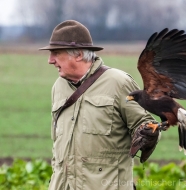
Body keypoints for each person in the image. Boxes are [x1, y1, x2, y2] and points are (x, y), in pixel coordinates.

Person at [39, 20, 159, 190]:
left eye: (56, 53)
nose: (50, 60)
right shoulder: (58, 87)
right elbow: (56, 147)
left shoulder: (118, 82)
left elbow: (147, 126)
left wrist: (148, 134)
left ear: (78, 55)